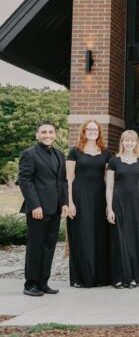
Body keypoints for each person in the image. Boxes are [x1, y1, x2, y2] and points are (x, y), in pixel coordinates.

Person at [18, 121, 68, 296]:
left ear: (55, 134)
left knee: (49, 247)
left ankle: (43, 282)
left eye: (51, 132)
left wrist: (65, 203)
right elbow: (25, 181)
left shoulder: (60, 154)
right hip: (38, 209)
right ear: (37, 135)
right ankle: (30, 284)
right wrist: (34, 205)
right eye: (44, 132)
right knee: (35, 247)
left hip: (54, 209)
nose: (48, 135)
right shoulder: (29, 154)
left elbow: (62, 182)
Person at [105, 130, 139, 288]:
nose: (129, 143)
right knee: (119, 239)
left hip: (137, 202)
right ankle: (119, 277)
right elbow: (109, 186)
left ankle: (133, 276)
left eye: (132, 140)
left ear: (137, 143)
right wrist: (109, 208)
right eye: (126, 140)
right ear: (122, 142)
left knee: (134, 240)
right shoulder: (114, 161)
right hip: (119, 202)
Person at [65, 120, 112, 288]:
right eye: (89, 129)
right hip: (79, 197)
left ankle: (100, 277)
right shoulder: (75, 152)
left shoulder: (106, 153)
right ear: (83, 131)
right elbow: (69, 179)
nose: (92, 131)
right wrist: (69, 202)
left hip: (100, 197)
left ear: (99, 132)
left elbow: (108, 180)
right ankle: (81, 278)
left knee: (99, 236)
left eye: (95, 129)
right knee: (82, 235)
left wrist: (109, 203)